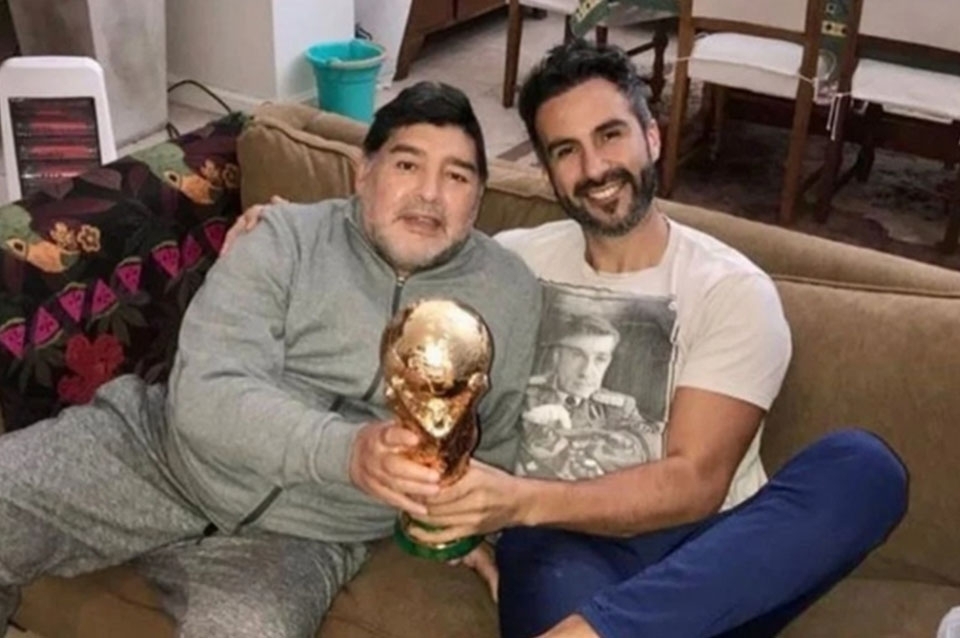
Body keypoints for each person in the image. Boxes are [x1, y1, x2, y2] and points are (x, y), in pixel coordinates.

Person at [0, 81, 541, 638]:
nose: (429, 193)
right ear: (364, 173)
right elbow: (207, 391)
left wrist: (471, 527)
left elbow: (494, 437)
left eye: (456, 177)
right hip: (160, 453)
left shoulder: (509, 294)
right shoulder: (284, 238)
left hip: (303, 536)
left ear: (477, 199)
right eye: (407, 164)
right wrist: (346, 451)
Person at [409, 41, 908, 638]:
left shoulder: (729, 289)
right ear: (547, 170)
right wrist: (456, 522)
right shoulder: (510, 264)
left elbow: (695, 483)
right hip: (565, 543)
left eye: (610, 135)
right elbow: (411, 334)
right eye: (566, 150)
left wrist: (517, 501)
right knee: (550, 563)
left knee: (864, 468)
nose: (594, 168)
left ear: (652, 136)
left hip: (714, 546)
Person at [520, 313, 658, 479]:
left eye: (600, 359)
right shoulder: (523, 396)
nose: (586, 372)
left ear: (608, 362)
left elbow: (649, 451)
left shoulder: (620, 408)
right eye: (577, 355)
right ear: (557, 356)